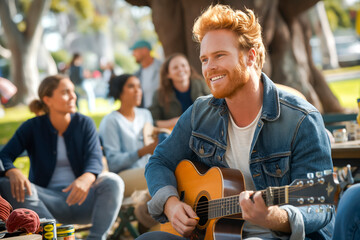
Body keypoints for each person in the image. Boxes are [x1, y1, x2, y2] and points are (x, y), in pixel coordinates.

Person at [137, 4, 334, 240]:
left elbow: (320, 204)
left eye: (219, 55)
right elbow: (159, 161)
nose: (209, 68)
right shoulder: (200, 113)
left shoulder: (301, 119)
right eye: (204, 59)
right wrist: (171, 204)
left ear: (250, 56)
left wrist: (274, 217)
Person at [0, 74, 124, 240]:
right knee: (7, 183)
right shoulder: (32, 127)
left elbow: (95, 157)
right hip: (46, 201)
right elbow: (4, 155)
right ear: (48, 100)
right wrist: (12, 170)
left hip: (82, 199)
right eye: (66, 92)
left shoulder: (84, 123)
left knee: (113, 181)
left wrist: (87, 177)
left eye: (73, 91)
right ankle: (54, 236)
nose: (73, 96)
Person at [99, 73, 162, 230]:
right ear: (119, 92)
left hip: (148, 174)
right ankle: (145, 214)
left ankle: (148, 221)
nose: (138, 90)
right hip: (123, 177)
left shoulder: (145, 114)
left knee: (165, 177)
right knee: (159, 176)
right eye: (131, 86)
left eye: (139, 86)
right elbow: (113, 162)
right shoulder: (111, 121)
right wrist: (142, 151)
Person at [149, 53, 210, 129]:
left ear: (189, 68)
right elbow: (152, 121)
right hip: (176, 134)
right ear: (168, 74)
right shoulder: (159, 94)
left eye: (183, 65)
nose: (180, 69)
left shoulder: (202, 84)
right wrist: (175, 121)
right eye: (175, 68)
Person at [131, 40, 162, 108]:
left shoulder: (163, 68)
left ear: (144, 50)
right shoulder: (137, 75)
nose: (133, 54)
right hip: (146, 114)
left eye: (135, 51)